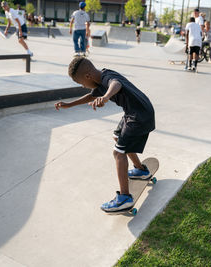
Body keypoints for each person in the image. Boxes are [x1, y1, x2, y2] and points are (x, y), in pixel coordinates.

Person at [54, 57, 155, 212]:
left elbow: (116, 84)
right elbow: (91, 96)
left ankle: (124, 198)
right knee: (117, 137)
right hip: (136, 112)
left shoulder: (108, 78)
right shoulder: (100, 78)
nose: (84, 86)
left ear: (87, 76)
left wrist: (106, 97)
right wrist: (69, 104)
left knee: (118, 152)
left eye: (82, 84)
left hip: (138, 117)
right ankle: (141, 170)